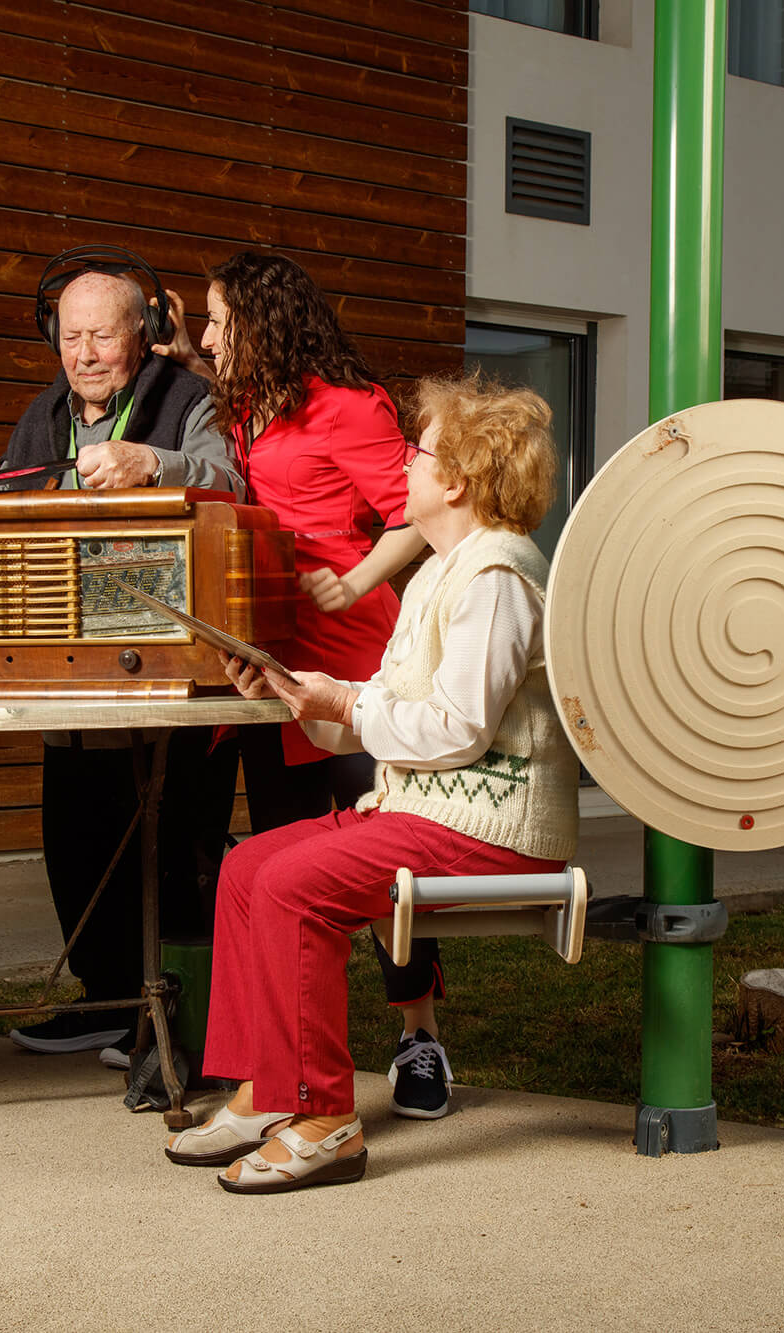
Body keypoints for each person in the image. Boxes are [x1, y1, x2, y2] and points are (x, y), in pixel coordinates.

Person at [163, 373, 578, 1192]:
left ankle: (325, 1119)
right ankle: (269, 1092)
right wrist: (299, 700)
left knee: (291, 885)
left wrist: (346, 703)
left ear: (455, 480)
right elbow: (380, 712)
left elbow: (459, 727)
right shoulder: (436, 573)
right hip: (431, 810)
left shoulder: (495, 578)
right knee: (248, 870)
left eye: (418, 452)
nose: (405, 463)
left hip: (490, 830)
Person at [157, 250, 459, 1118]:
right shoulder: (243, 408)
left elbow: (419, 509)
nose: (211, 336)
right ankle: (298, 1063)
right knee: (294, 876)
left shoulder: (350, 407)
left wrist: (360, 578)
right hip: (270, 672)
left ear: (261, 320)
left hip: (357, 670)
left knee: (388, 871)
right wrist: (186, 355)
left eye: (220, 320)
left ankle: (419, 1037)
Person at [0, 265, 241, 1067]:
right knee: (74, 837)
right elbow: (22, 500)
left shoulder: (186, 398)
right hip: (68, 667)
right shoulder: (45, 413)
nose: (85, 353)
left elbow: (233, 481)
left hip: (168, 663)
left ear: (141, 332)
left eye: (103, 334)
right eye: (70, 336)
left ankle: (171, 1009)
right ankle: (105, 1000)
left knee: (171, 845)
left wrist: (157, 466)